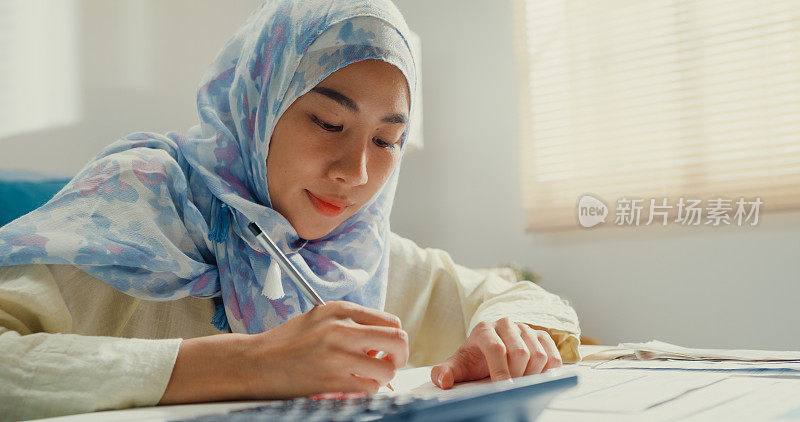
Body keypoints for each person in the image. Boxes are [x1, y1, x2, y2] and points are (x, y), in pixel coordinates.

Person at [0, 0, 581, 420]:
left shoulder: (357, 252)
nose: (354, 173)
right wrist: (250, 363)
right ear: (257, 106)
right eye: (328, 122)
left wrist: (512, 333)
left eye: (386, 141)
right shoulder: (139, 203)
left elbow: (513, 295)